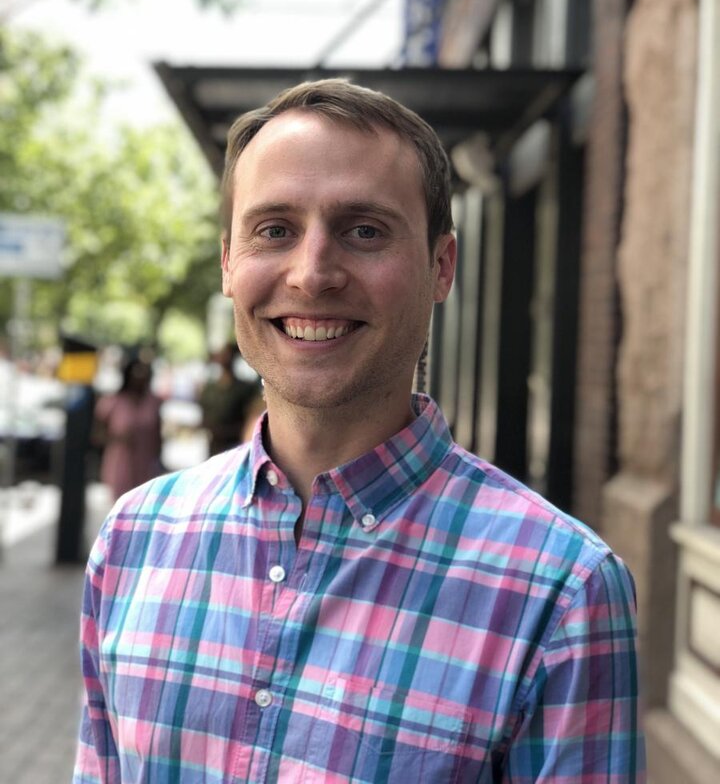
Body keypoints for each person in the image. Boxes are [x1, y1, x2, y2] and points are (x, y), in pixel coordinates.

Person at [74, 80, 645, 783]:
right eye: (274, 229)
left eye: (364, 230)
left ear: (442, 266)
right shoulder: (133, 542)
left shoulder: (562, 594)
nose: (312, 274)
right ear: (228, 262)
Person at [92, 356, 162, 502]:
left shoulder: (153, 402)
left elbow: (158, 435)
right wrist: (118, 438)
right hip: (120, 466)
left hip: (145, 466)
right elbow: (97, 434)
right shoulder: (113, 402)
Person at [198, 343, 262, 455]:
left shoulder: (244, 389)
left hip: (235, 444)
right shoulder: (210, 388)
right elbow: (204, 414)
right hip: (215, 444)